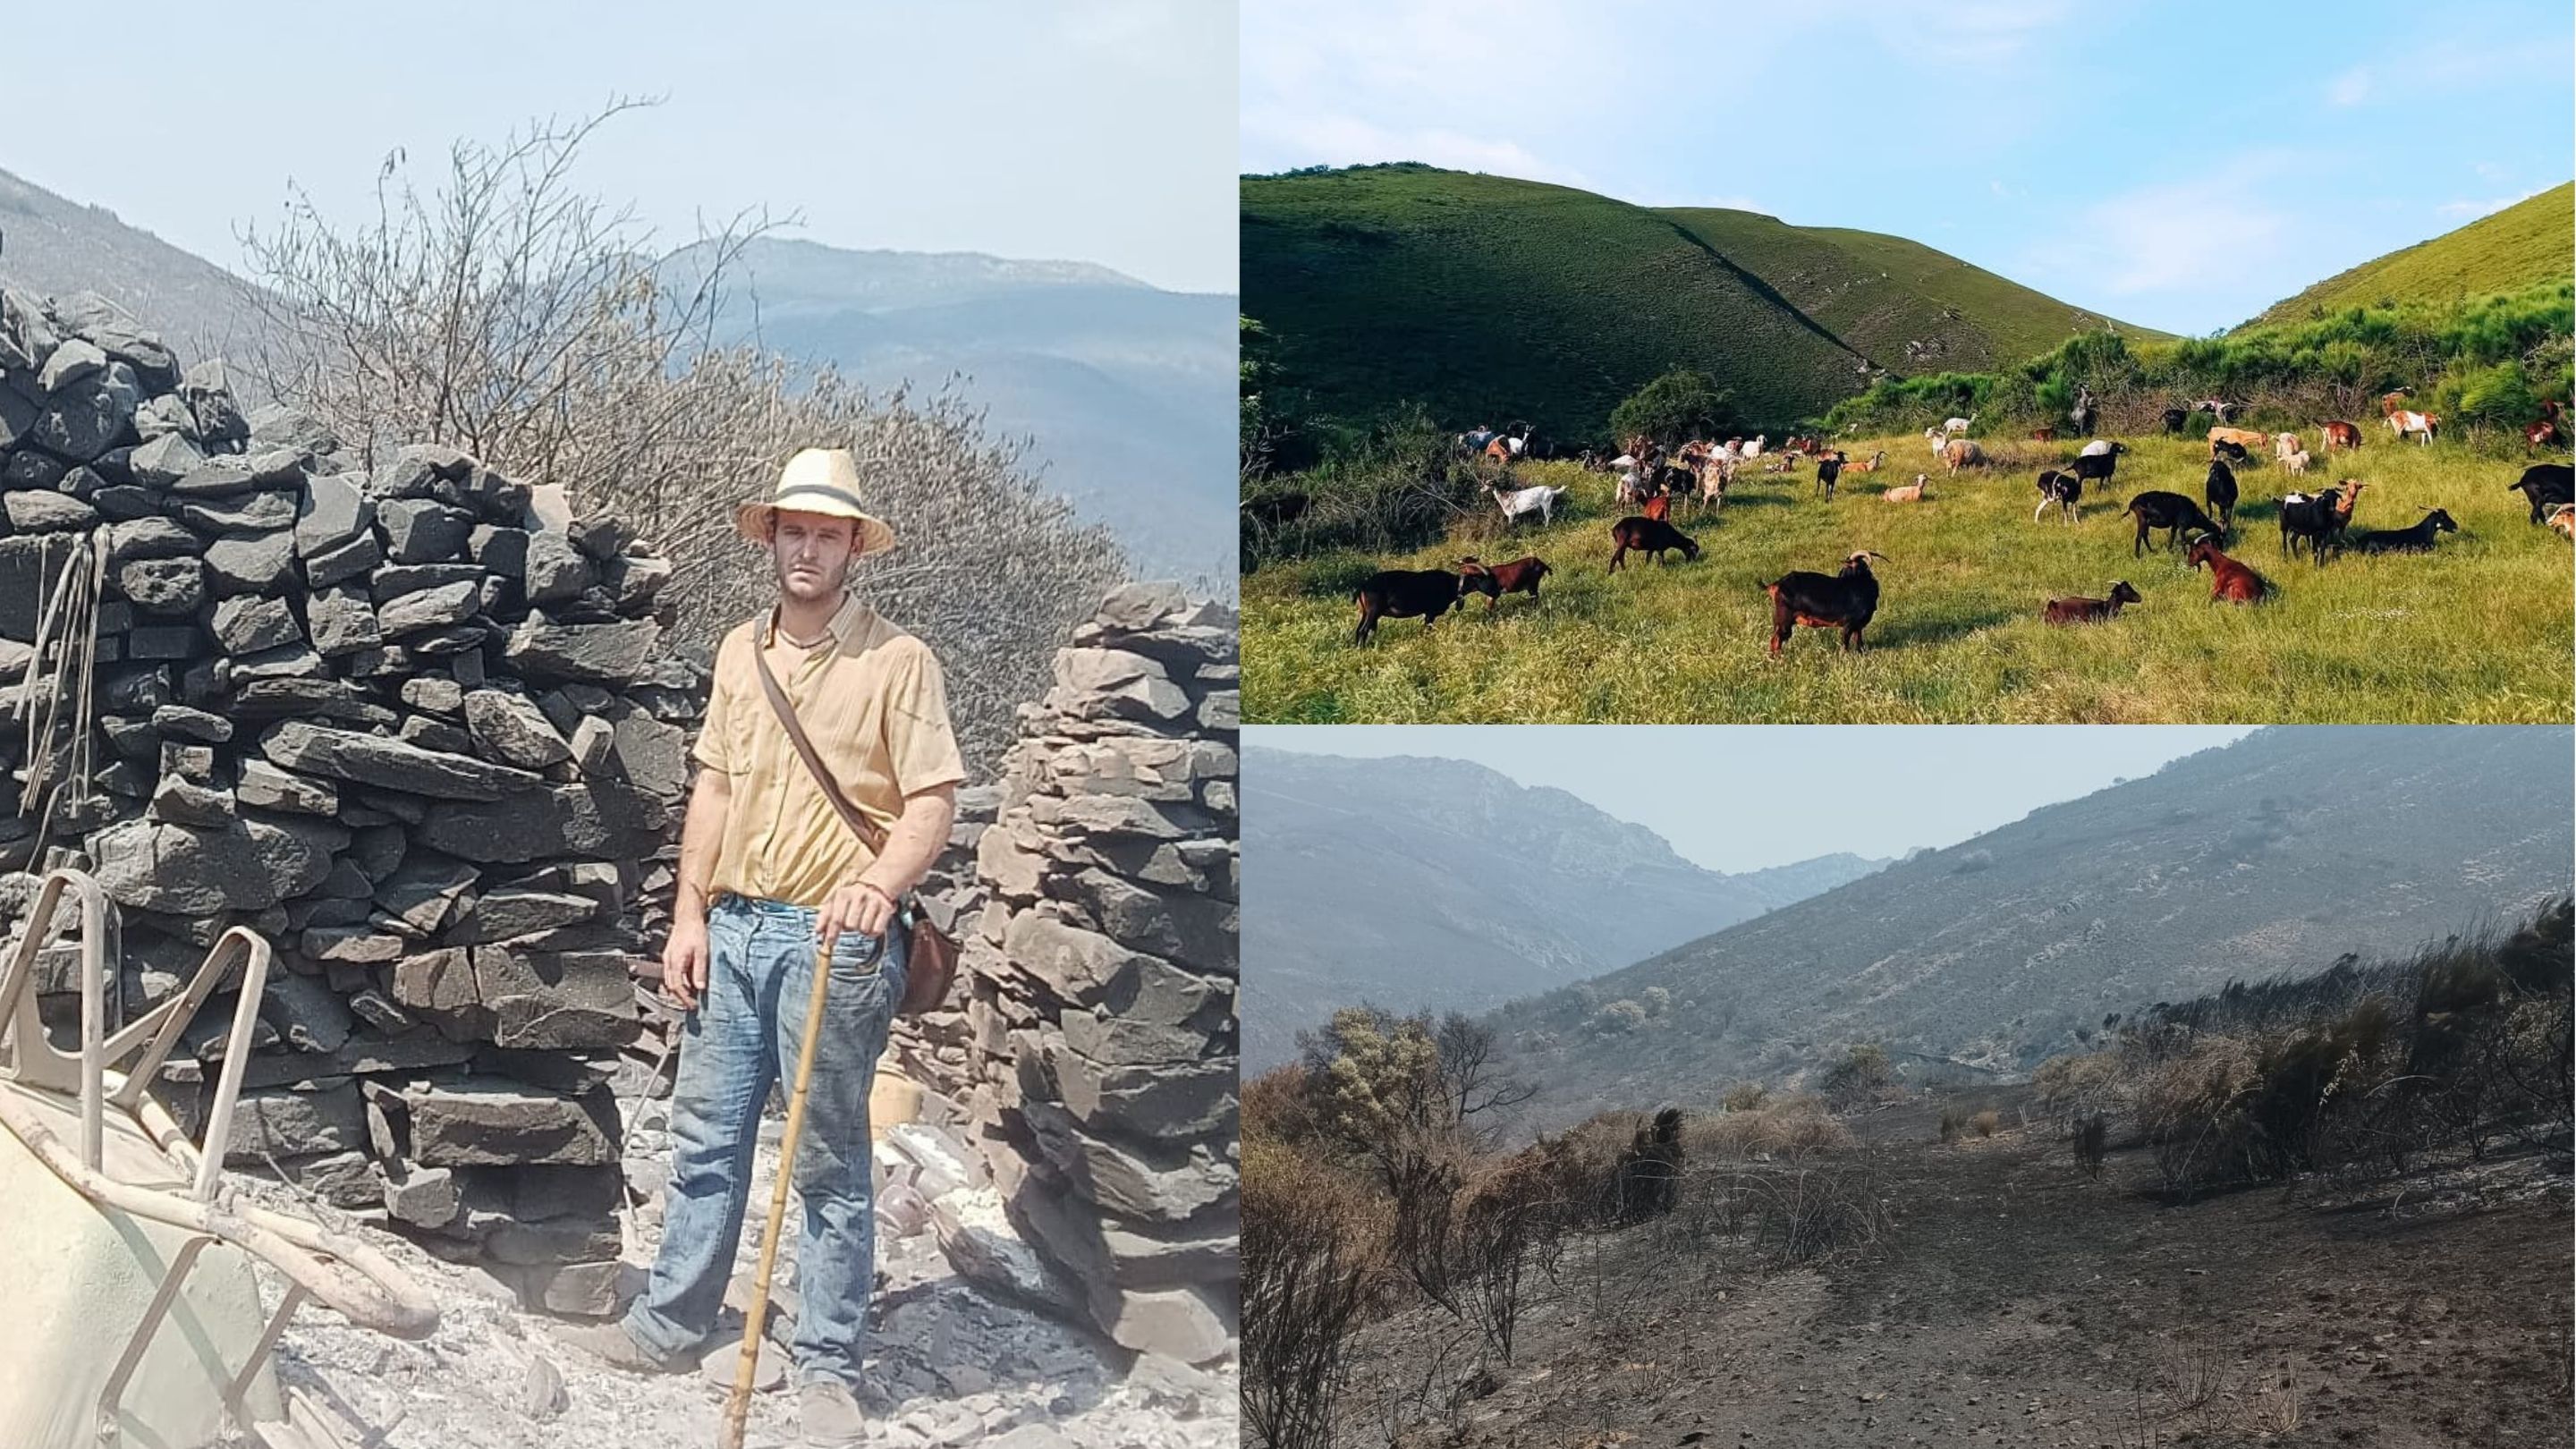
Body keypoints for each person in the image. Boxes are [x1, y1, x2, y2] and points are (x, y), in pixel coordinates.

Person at [561, 446, 965, 1448]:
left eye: (829, 534)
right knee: (706, 1142)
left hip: (836, 938)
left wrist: (878, 886)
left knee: (826, 1160)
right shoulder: (741, 652)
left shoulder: (898, 661)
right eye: (795, 530)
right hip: (735, 928)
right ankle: (670, 1323)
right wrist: (689, 915)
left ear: (854, 550)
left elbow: (933, 802)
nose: (809, 549)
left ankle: (828, 1364)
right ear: (772, 538)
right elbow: (717, 787)